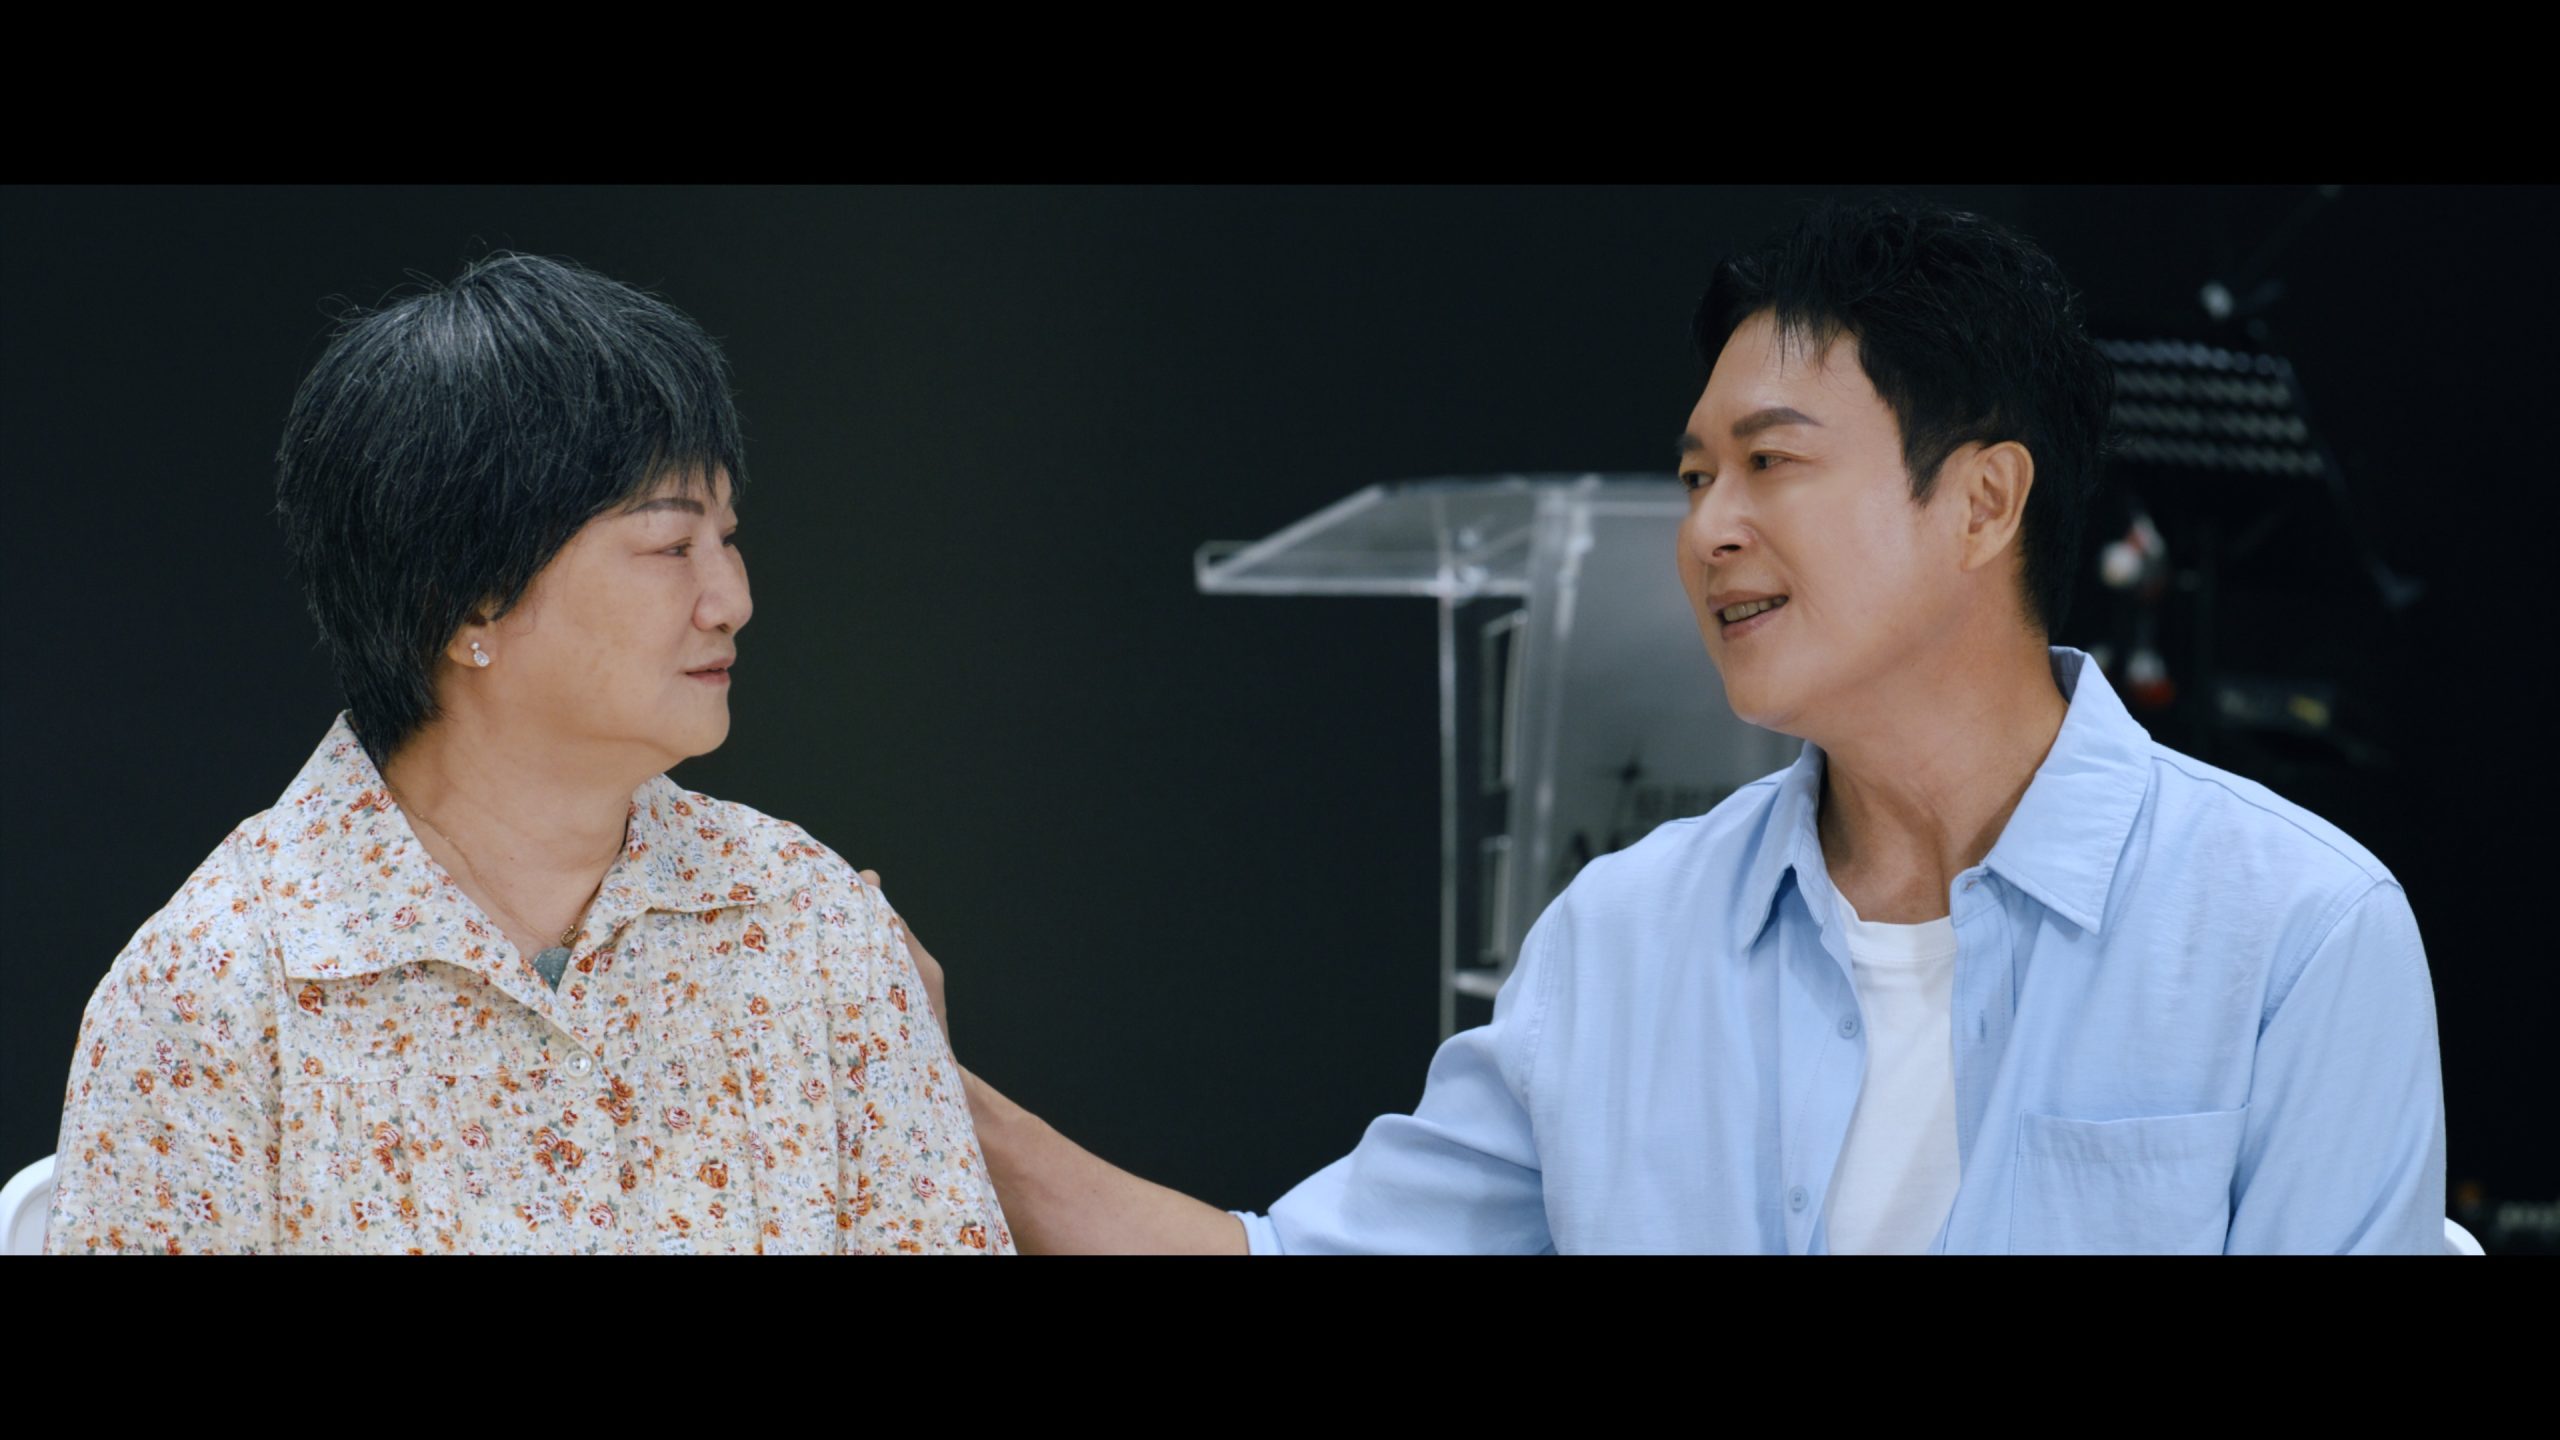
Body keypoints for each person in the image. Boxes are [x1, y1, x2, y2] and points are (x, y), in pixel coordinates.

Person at [944, 197, 2449, 1253]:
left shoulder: (2293, 932)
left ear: (1984, 501)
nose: (1709, 527)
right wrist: (907, 1074)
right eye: (1691, 476)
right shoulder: (1623, 939)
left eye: (1769, 464)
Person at [44, 254, 1010, 1254]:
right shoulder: (218, 991)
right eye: (671, 546)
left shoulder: (812, 927)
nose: (732, 600)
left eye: (727, 538)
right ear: (467, 601)